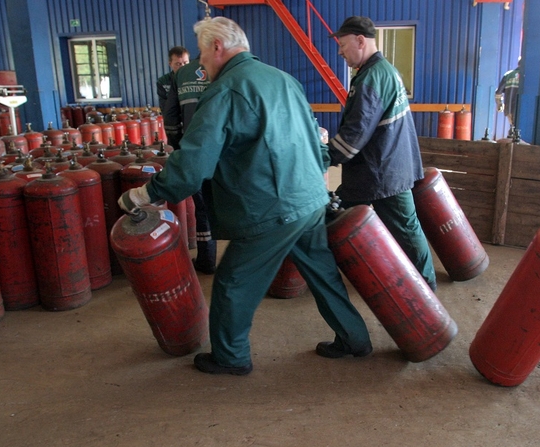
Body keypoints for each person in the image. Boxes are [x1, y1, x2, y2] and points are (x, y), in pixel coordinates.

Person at [119, 16, 372, 375]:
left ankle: (230, 357)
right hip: (310, 197)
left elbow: (193, 164)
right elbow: (315, 138)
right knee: (322, 272)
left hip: (271, 207)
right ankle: (354, 338)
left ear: (218, 47)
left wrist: (148, 194)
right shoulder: (283, 79)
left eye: (203, 57)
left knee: (233, 282)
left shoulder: (225, 91)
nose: (201, 67)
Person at [327, 16, 437, 292]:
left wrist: (320, 156)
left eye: (343, 44)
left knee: (407, 230)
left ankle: (425, 290)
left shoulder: (371, 78)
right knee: (336, 212)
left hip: (383, 174)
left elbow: (353, 138)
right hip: (383, 168)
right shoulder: (382, 71)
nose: (340, 51)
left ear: (360, 41)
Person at [163, 54, 217, 274]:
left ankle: (207, 260)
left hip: (194, 152)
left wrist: (179, 146)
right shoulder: (228, 69)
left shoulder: (181, 74)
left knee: (203, 207)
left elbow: (171, 116)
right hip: (226, 152)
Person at [156, 46, 189, 113]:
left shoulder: (196, 80)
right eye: (178, 64)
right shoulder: (163, 82)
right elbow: (165, 108)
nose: (183, 67)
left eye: (185, 63)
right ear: (170, 64)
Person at [495, 58, 520, 126]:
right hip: (524, 109)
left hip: (509, 108)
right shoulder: (529, 75)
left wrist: (499, 104)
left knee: (513, 128)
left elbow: (498, 92)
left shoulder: (508, 75)